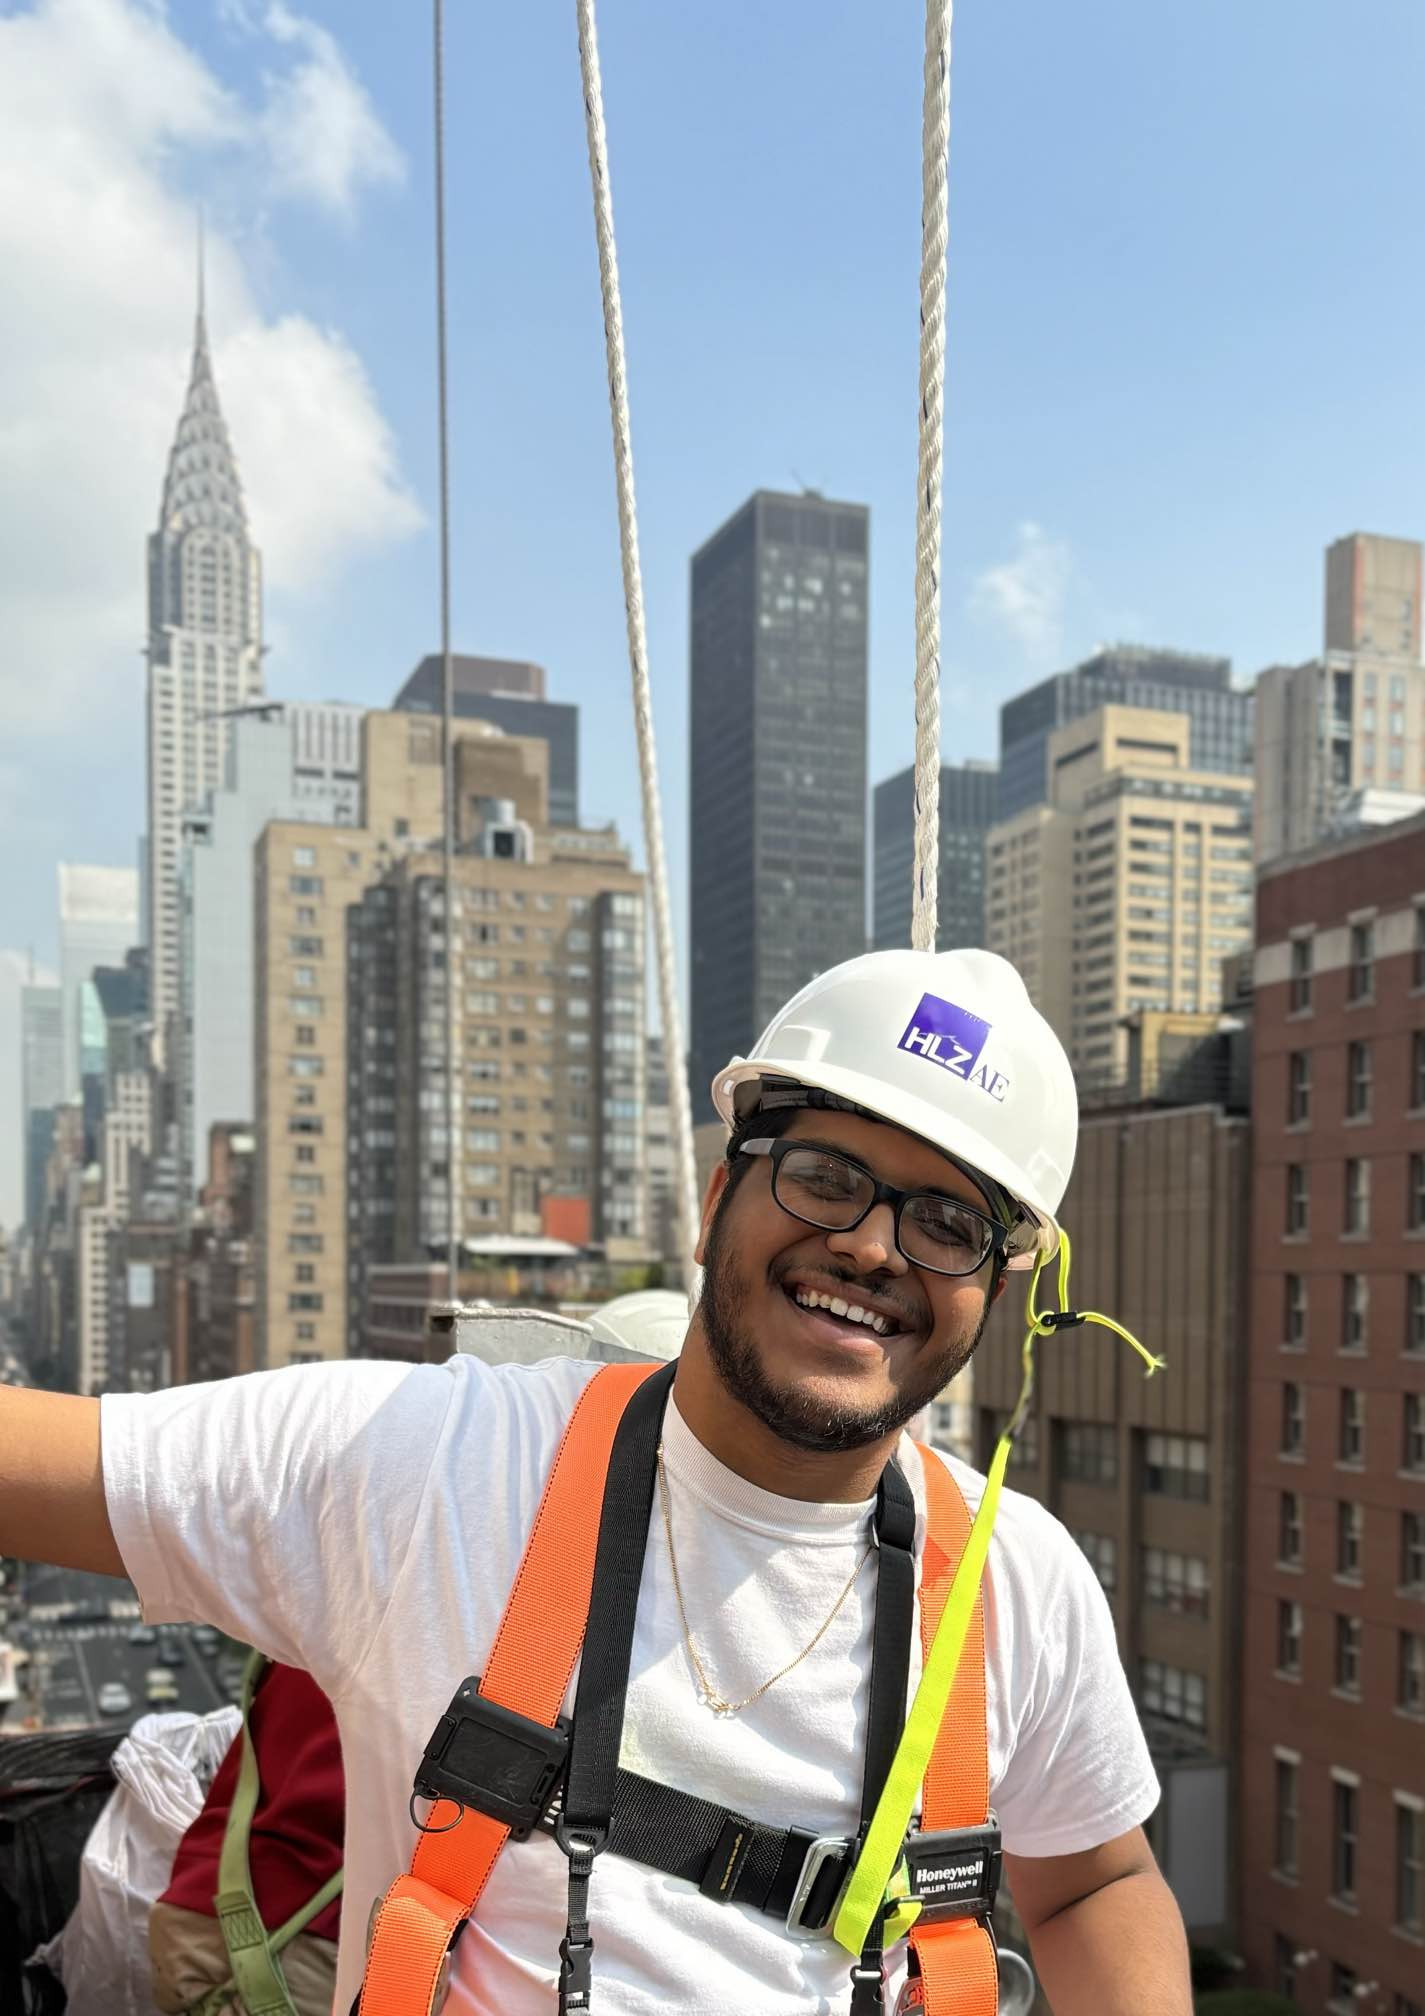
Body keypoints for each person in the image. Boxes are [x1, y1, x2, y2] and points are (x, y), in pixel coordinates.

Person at [0, 949, 1191, 2015]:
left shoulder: (1016, 1584)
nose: (874, 1246)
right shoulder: (425, 1467)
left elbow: (1095, 1881)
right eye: (827, 1178)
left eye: (946, 1221)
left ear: (996, 1288)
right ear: (720, 1200)